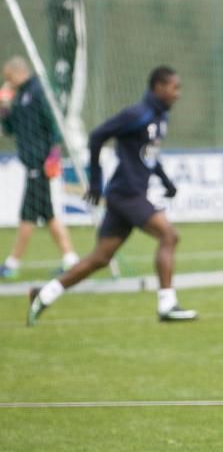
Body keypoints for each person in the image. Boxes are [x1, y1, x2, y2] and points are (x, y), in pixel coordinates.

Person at [27, 66, 197, 326]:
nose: (178, 93)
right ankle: (167, 305)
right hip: (127, 194)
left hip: (126, 196)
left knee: (100, 258)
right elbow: (97, 136)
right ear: (158, 87)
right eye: (175, 87)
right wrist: (95, 184)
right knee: (169, 236)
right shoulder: (138, 114)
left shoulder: (160, 117)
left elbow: (148, 155)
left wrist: (165, 181)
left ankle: (43, 295)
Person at [0, 56, 79, 279]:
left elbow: (54, 122)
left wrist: (54, 153)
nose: (8, 82)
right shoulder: (20, 97)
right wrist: (4, 106)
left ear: (17, 72)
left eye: (8, 78)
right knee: (48, 214)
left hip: (41, 163)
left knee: (28, 215)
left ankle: (12, 263)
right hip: (31, 164)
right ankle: (70, 258)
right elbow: (9, 129)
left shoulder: (38, 91)